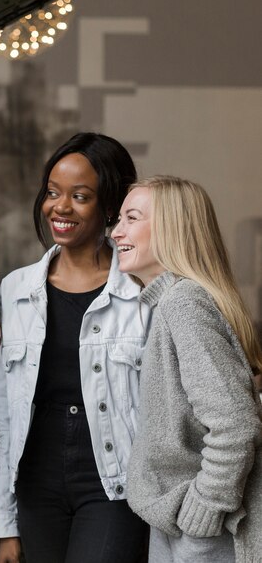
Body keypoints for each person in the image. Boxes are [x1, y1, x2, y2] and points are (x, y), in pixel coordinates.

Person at [0, 132, 149, 563]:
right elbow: (8, 414)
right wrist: (6, 523)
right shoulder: (16, 289)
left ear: (111, 206)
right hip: (37, 480)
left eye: (80, 196)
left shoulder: (143, 294)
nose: (60, 207)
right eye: (53, 192)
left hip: (114, 480)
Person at [112, 176, 262, 563]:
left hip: (202, 531)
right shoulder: (174, 302)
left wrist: (206, 508)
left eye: (132, 218)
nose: (116, 232)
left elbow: (235, 424)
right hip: (183, 524)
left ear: (172, 227)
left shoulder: (184, 304)